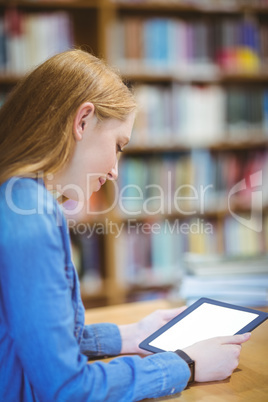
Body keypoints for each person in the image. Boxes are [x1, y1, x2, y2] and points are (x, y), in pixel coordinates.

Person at [0, 49, 250, 402]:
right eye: (118, 146)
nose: (116, 171)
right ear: (83, 121)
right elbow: (68, 388)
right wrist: (186, 364)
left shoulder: (15, 197)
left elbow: (29, 335)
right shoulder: (29, 215)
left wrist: (133, 334)